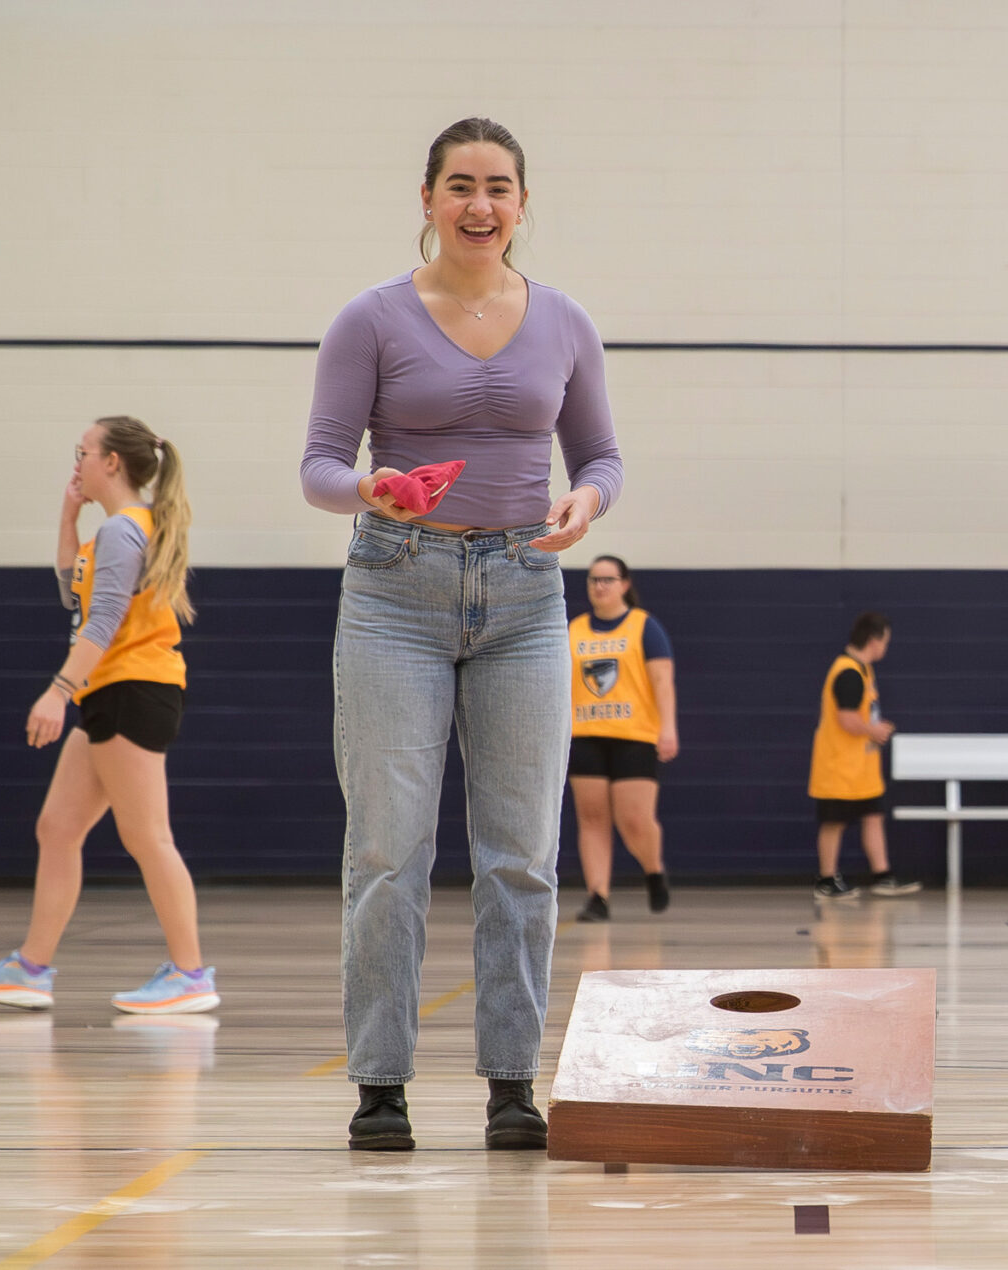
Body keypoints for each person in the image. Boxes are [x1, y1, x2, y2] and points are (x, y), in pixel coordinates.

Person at [300, 117, 622, 1153]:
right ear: (429, 199)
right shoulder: (372, 319)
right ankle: (381, 1083)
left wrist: (587, 502)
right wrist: (370, 489)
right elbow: (317, 465)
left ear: (522, 204)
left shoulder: (566, 322)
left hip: (528, 594)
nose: (479, 205)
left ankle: (511, 1083)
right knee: (388, 850)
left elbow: (603, 458)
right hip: (395, 589)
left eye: (498, 187)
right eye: (459, 186)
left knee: (522, 854)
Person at [0, 415, 217, 1017]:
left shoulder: (127, 531)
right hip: (112, 690)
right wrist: (68, 522)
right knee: (58, 827)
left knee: (148, 837)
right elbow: (76, 598)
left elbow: (101, 624)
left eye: (84, 452)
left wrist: (57, 691)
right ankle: (30, 969)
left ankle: (190, 973)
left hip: (132, 689)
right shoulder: (114, 533)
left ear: (113, 463)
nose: (77, 463)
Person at [567, 555, 678, 923]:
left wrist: (668, 728)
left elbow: (663, 683)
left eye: (608, 579)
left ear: (624, 584)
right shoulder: (575, 629)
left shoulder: (645, 627)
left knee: (634, 820)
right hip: (586, 734)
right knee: (592, 819)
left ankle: (653, 869)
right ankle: (598, 896)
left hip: (634, 736)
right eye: (594, 580)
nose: (600, 586)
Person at [809, 611, 920, 899]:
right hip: (838, 766)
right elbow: (846, 719)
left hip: (861, 768)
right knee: (834, 822)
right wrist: (874, 730)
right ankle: (826, 879)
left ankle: (882, 875)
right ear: (873, 640)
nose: (886, 647)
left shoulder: (863, 670)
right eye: (885, 641)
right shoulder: (848, 672)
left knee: (873, 816)